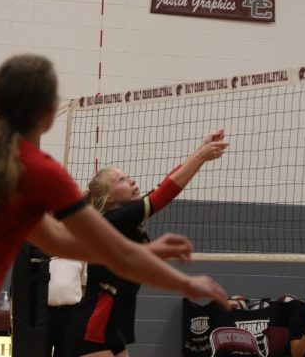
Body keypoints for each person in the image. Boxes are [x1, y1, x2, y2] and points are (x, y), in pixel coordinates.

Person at [0, 54, 228, 357]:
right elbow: (120, 256)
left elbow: (57, 241)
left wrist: (134, 252)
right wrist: (185, 281)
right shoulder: (38, 170)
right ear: (49, 111)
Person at [66, 129, 229, 357]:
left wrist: (201, 150)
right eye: (121, 180)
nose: (132, 180)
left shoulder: (127, 221)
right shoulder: (112, 220)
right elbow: (163, 193)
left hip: (112, 328)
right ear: (109, 198)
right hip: (94, 328)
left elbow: (163, 187)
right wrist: (201, 156)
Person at [46, 257, 86, 357]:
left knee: (67, 352)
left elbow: (84, 284)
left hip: (70, 314)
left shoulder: (81, 252)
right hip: (43, 313)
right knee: (39, 351)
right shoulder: (42, 250)